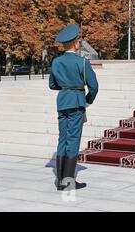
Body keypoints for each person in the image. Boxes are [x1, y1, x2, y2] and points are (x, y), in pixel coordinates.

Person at [49, 24, 99, 191]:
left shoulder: (56, 62)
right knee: (73, 140)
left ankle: (60, 180)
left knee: (62, 138)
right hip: (77, 102)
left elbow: (52, 85)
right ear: (75, 43)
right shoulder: (82, 62)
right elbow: (94, 87)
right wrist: (87, 102)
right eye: (78, 40)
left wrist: (66, 87)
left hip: (62, 102)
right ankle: (68, 181)